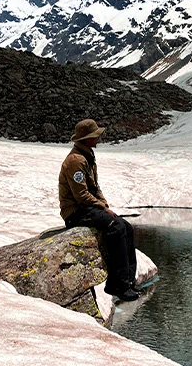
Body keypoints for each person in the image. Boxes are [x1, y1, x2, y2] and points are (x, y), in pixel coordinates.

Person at [59, 118, 140, 302]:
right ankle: (117, 285)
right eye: (95, 135)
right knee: (116, 227)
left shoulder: (87, 155)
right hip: (75, 212)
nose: (99, 138)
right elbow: (81, 195)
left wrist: (105, 206)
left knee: (126, 227)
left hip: (87, 208)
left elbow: (95, 188)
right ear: (87, 139)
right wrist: (103, 208)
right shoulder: (76, 161)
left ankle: (127, 280)